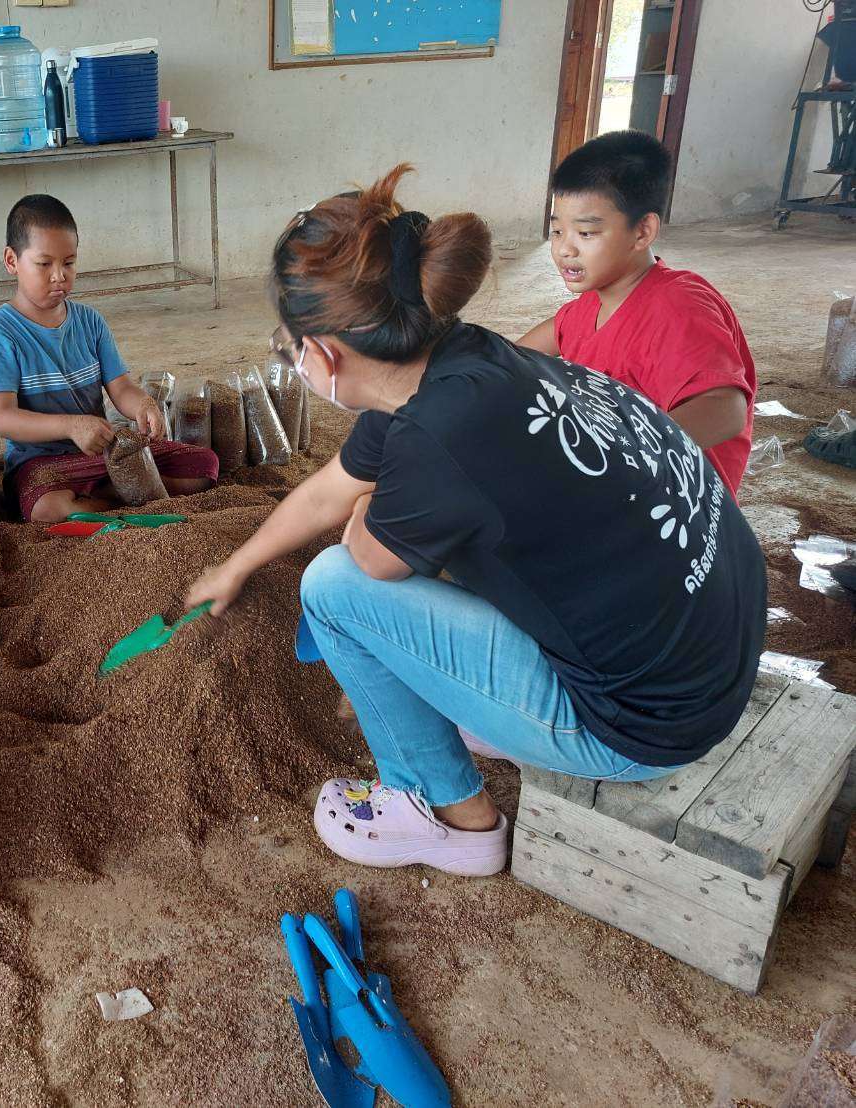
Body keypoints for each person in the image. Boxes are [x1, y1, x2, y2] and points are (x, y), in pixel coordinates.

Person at [187, 165, 766, 878]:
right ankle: (486, 720)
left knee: (333, 590)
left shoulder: (435, 436)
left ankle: (445, 818)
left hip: (642, 725)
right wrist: (238, 566)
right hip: (713, 653)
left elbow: (363, 561)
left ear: (322, 354)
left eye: (288, 344)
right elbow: (331, 488)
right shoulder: (462, 358)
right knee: (443, 544)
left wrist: (388, 513)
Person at [519, 131, 757, 496]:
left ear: (642, 231)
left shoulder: (679, 306)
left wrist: (621, 451)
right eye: (556, 231)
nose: (565, 249)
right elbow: (525, 350)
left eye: (585, 232)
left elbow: (726, 410)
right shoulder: (593, 305)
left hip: (678, 508)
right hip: (619, 486)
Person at [0, 195, 219, 522]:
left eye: (69, 263)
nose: (59, 275)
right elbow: (2, 419)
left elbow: (121, 388)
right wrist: (72, 426)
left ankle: (105, 499)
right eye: (44, 264)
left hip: (106, 455)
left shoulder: (90, 322)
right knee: (48, 508)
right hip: (44, 465)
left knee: (204, 465)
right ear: (12, 260)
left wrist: (143, 405)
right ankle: (132, 493)